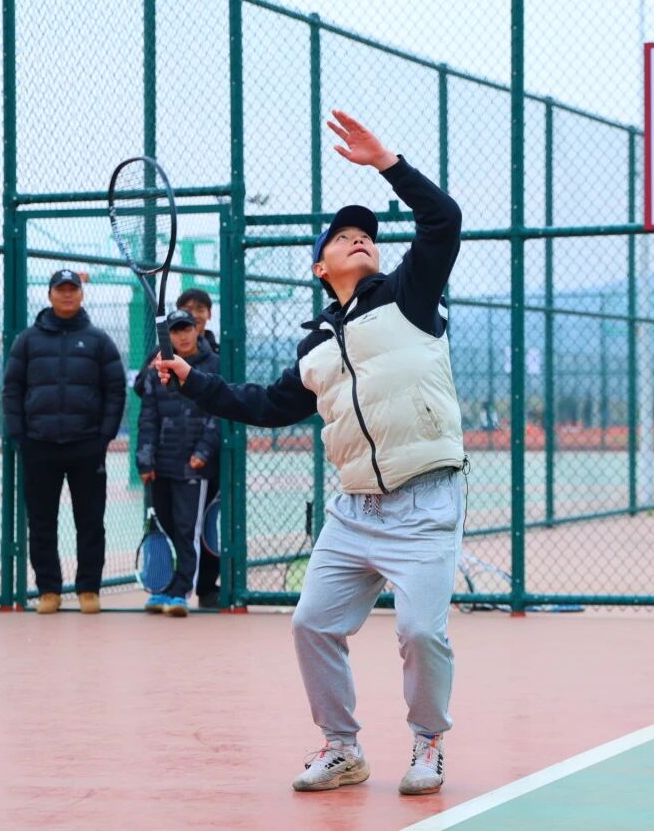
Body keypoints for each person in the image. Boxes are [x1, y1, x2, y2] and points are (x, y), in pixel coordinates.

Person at [155, 110, 464, 796]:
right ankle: (342, 748)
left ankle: (428, 740)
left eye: (368, 235)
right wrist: (192, 379)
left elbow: (443, 220)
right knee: (311, 623)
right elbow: (266, 405)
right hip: (354, 511)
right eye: (345, 236)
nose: (361, 239)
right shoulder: (315, 346)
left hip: (426, 500)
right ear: (321, 266)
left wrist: (388, 163)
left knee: (420, 631)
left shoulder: (411, 296)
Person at [2, 269, 126, 615]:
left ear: (81, 294)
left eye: (73, 289)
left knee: (90, 521)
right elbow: (12, 389)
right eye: (61, 289)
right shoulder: (27, 341)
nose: (67, 294)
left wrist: (104, 435)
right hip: (39, 445)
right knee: (41, 522)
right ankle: (49, 590)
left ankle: (88, 589)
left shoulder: (99, 341)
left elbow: (115, 390)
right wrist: (20, 435)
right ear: (50, 295)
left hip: (87, 446)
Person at [135, 309, 222, 616]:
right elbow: (147, 417)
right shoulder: (156, 369)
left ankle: (181, 592)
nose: (183, 336)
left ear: (197, 330)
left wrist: (203, 452)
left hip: (193, 467)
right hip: (161, 466)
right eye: (175, 331)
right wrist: (145, 461)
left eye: (187, 329)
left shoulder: (214, 366)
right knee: (166, 529)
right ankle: (162, 588)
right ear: (167, 335)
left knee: (187, 529)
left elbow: (219, 414)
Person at [175, 287, 219, 354]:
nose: (194, 315)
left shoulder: (221, 353)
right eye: (188, 310)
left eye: (200, 310)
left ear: (209, 314)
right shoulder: (163, 353)